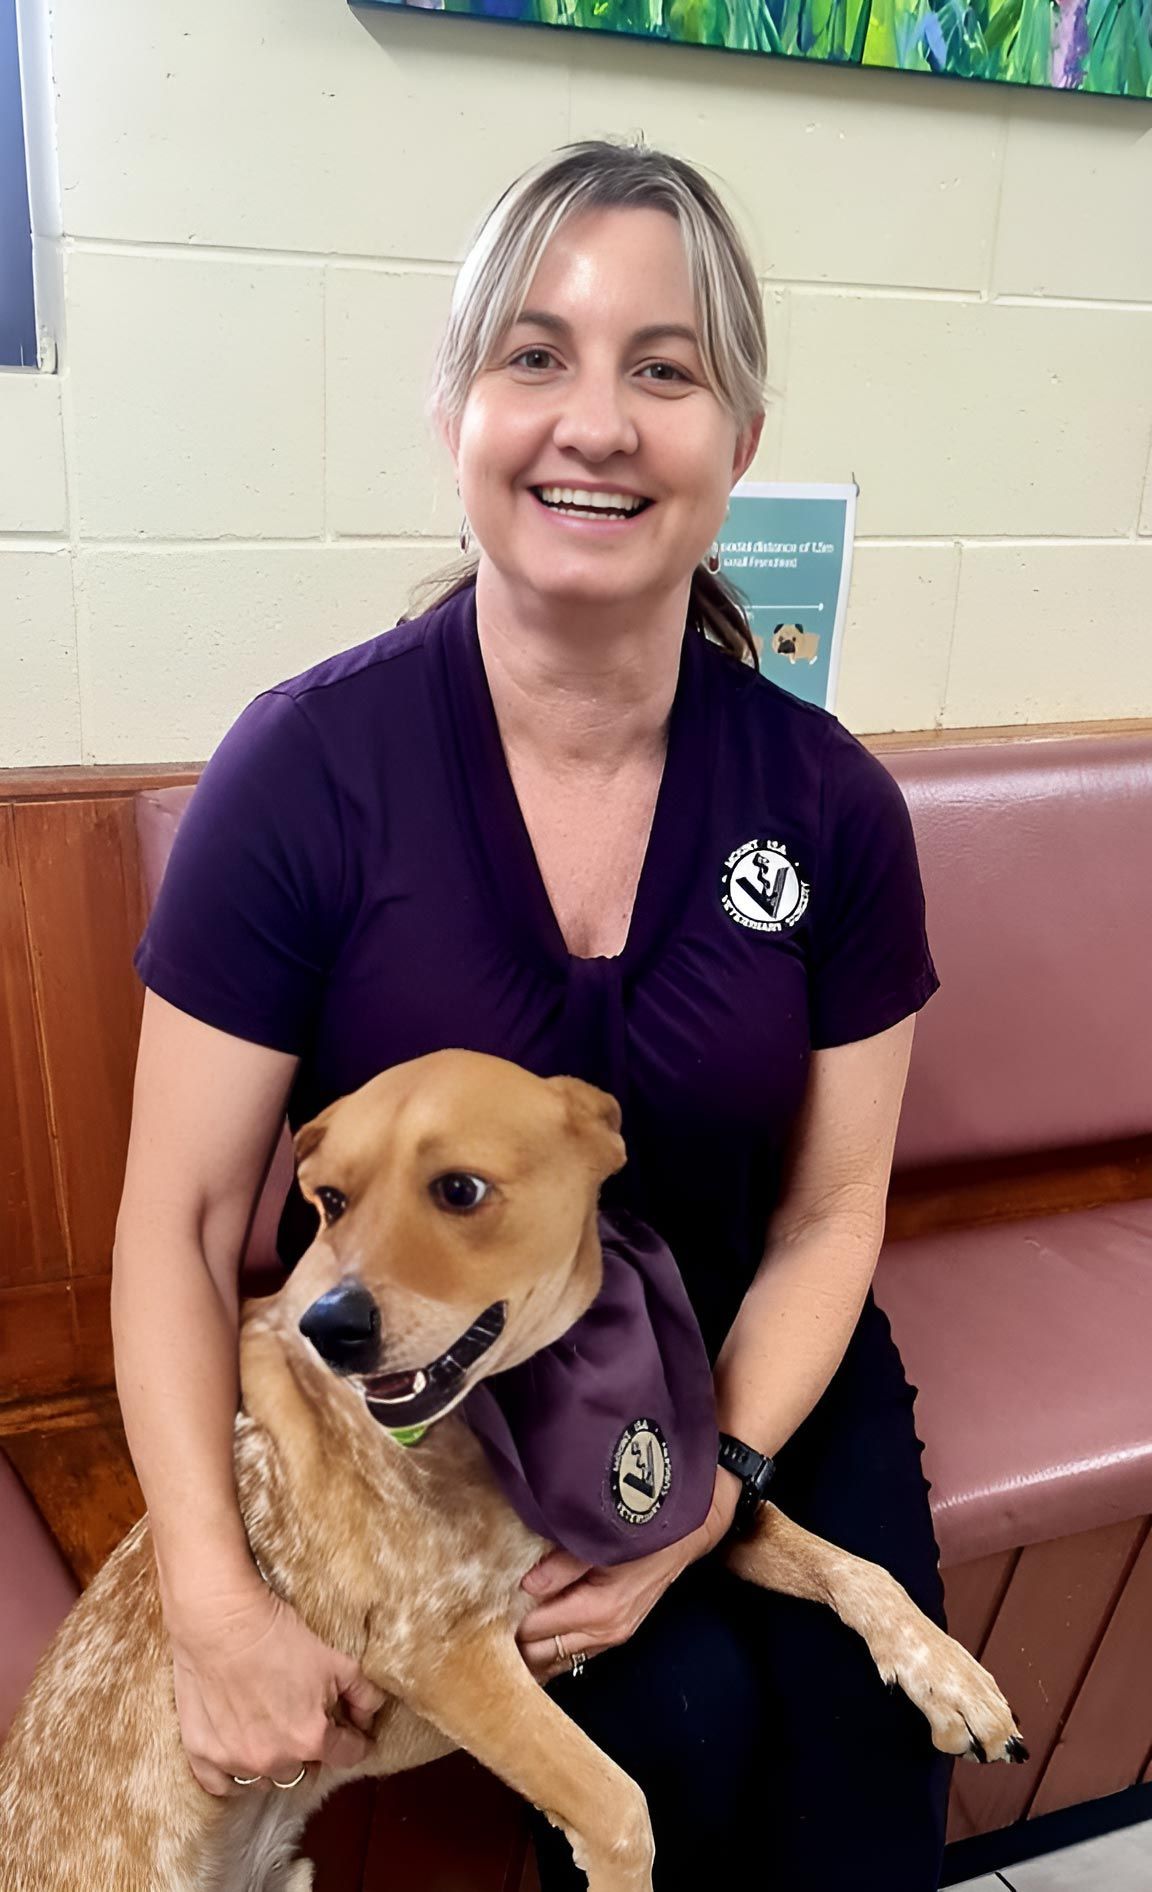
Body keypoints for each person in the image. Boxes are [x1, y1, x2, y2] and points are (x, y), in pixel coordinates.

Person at [114, 137, 950, 1888]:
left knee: (870, 1778)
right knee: (688, 1740)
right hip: (452, 1414)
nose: (597, 421)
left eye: (665, 369)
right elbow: (186, 1222)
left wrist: (715, 1479)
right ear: (455, 416)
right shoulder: (306, 772)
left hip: (749, 1369)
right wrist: (208, 1596)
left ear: (740, 445)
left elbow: (833, 1207)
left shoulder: (830, 802)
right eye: (535, 356)